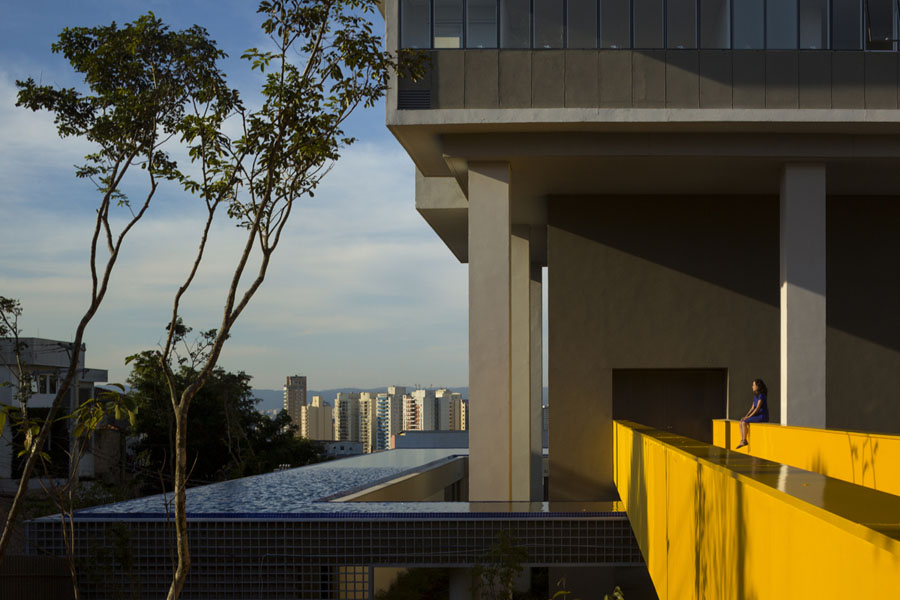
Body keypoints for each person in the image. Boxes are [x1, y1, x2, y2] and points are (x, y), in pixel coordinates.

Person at [736, 379, 768, 449]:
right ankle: (742, 440)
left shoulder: (761, 396)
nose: (752, 386)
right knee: (741, 421)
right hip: (757, 415)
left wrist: (748, 417)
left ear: (758, 386)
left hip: (762, 416)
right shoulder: (755, 396)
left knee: (744, 422)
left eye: (754, 385)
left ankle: (744, 440)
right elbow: (752, 408)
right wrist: (746, 416)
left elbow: (757, 408)